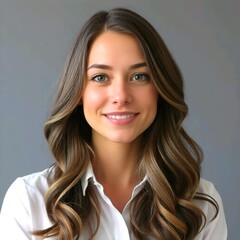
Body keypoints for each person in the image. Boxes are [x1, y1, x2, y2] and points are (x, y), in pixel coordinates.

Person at [0, 8, 227, 240]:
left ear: (160, 89)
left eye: (139, 76)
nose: (121, 95)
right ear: (78, 92)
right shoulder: (29, 201)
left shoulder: (201, 203)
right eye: (100, 77)